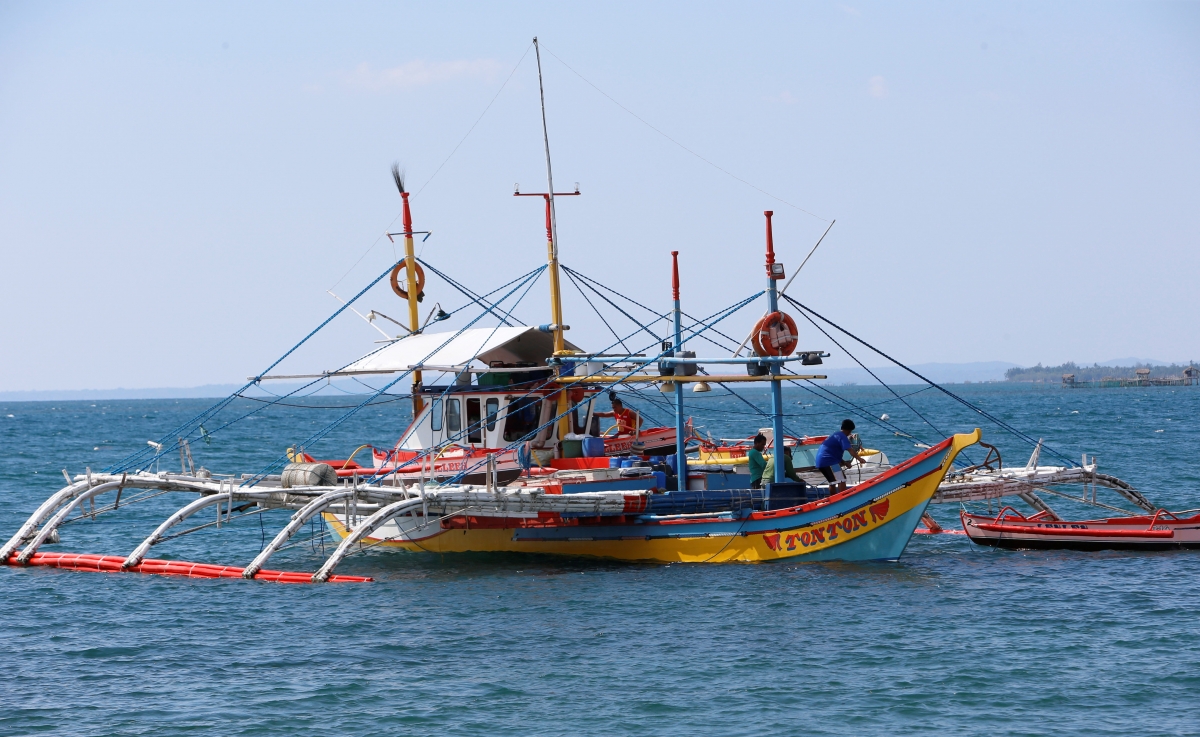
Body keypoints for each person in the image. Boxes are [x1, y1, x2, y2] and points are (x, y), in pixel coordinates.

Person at [815, 419, 863, 494]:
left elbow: (834, 454)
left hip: (820, 462)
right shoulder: (842, 436)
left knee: (832, 482)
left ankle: (833, 500)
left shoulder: (836, 435)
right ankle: (842, 498)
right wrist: (860, 459)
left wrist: (845, 463)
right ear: (849, 430)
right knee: (842, 480)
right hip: (829, 461)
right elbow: (850, 450)